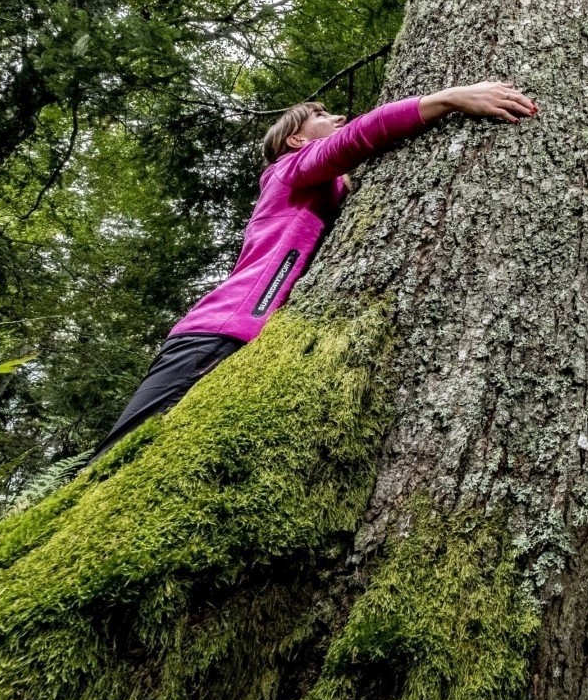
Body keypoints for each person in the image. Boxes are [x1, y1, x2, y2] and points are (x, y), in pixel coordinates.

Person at [92, 81, 538, 460]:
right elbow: (358, 138)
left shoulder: (319, 192)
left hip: (251, 339)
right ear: (296, 142)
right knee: (122, 460)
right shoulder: (287, 171)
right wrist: (451, 98)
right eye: (322, 115)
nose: (339, 117)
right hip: (219, 333)